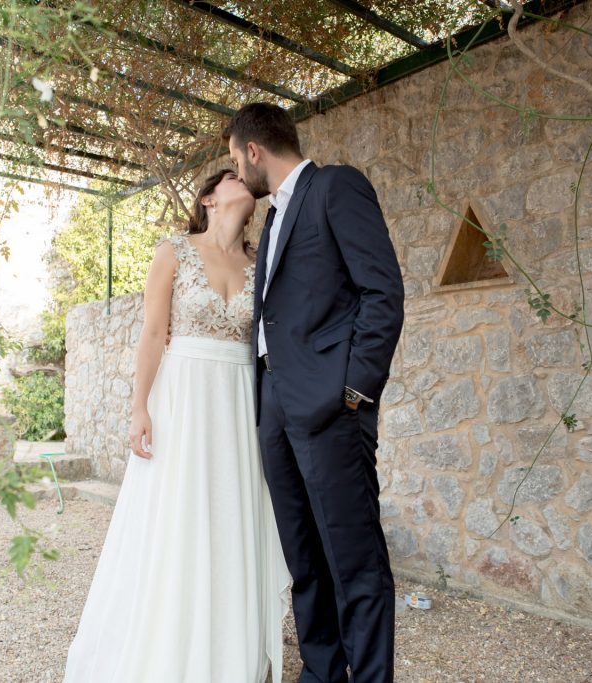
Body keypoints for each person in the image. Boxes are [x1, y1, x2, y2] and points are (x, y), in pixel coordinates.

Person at [63, 169, 290, 683]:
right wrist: (139, 406)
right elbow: (151, 332)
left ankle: (227, 650)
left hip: (238, 403)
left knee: (231, 517)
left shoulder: (261, 264)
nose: (241, 180)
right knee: (177, 517)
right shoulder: (173, 251)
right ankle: (169, 647)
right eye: (230, 175)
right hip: (183, 398)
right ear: (208, 198)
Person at [224, 102, 405, 683]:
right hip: (275, 405)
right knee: (303, 558)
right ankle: (321, 674)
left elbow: (384, 294)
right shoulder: (275, 219)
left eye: (234, 157)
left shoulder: (335, 187)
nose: (237, 170)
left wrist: (353, 390)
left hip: (332, 407)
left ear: (254, 150)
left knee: (355, 562)